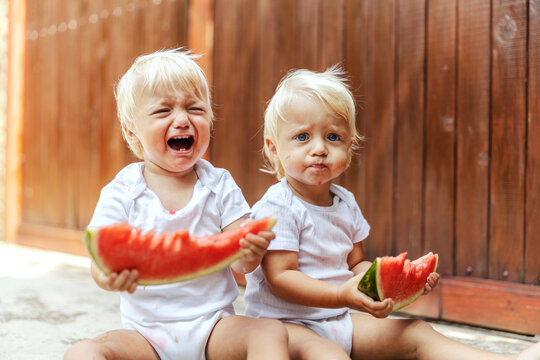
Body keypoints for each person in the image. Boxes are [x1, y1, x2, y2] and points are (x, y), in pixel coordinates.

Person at [243, 67, 540, 360]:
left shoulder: (344, 203)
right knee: (327, 354)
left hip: (336, 320)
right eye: (302, 137)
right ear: (273, 148)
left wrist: (399, 283)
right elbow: (280, 278)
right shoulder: (278, 206)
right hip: (286, 328)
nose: (319, 148)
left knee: (416, 332)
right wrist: (340, 296)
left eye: (333, 137)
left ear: (350, 144)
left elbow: (356, 265)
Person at [64, 49, 289, 360]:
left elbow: (242, 264)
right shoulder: (122, 191)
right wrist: (109, 276)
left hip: (214, 329)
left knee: (270, 331)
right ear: (132, 131)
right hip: (145, 336)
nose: (182, 120)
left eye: (195, 109)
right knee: (83, 352)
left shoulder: (219, 183)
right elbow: (99, 263)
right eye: (162, 111)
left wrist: (251, 250)